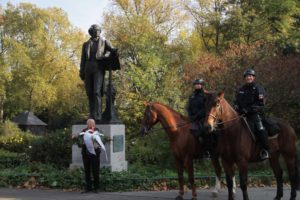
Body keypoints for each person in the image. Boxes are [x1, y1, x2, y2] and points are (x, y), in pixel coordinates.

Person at [80, 24, 117, 121]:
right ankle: (91, 115)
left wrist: (111, 53)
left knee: (97, 92)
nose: (97, 32)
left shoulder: (104, 42)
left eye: (98, 30)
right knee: (90, 92)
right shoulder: (86, 44)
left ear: (100, 32)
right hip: (88, 69)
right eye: (95, 30)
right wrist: (81, 71)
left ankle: (98, 115)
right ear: (91, 32)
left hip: (98, 69)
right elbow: (83, 59)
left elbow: (112, 50)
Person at [234, 68, 270, 160]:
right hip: (241, 115)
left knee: (260, 129)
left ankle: (265, 150)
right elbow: (236, 101)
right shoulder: (241, 89)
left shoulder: (258, 88)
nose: (248, 78)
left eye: (250, 76)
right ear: (245, 78)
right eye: (247, 76)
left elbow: (260, 104)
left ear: (253, 77)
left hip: (254, 114)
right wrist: (236, 106)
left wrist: (248, 110)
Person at [72, 119, 107, 193]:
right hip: (86, 154)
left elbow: (103, 141)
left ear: (94, 124)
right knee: (87, 171)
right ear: (87, 124)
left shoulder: (98, 131)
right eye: (90, 124)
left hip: (95, 154)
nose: (91, 125)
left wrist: (97, 145)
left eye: (93, 124)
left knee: (95, 171)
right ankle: (88, 187)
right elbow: (79, 142)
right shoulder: (83, 131)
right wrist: (82, 143)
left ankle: (96, 187)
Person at [187, 78, 211, 158]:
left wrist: (198, 115)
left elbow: (206, 107)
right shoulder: (192, 96)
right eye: (196, 84)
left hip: (203, 118)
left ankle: (206, 151)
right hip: (193, 118)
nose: (197, 85)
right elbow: (189, 107)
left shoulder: (205, 95)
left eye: (199, 84)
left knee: (204, 132)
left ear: (202, 85)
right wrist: (190, 116)